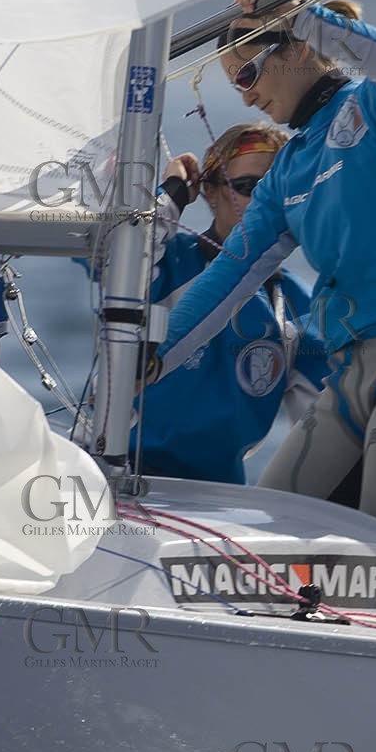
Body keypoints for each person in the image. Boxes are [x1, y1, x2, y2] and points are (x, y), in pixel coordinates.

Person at [150, 0, 376, 556]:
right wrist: (153, 358)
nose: (244, 99)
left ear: (296, 52)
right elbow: (227, 277)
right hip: (354, 372)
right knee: (258, 546)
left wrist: (303, 16)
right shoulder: (287, 169)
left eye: (246, 76)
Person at [130, 125, 326, 483]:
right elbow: (111, 255)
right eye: (250, 188)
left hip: (219, 495)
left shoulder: (299, 307)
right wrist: (170, 195)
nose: (267, 203)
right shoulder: (161, 262)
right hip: (118, 474)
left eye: (280, 189)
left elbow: (326, 429)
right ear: (210, 191)